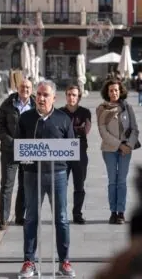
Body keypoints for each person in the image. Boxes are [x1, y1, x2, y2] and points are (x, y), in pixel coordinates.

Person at [16, 80, 76, 278]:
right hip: (32, 174)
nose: (41, 98)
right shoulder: (26, 118)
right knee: (31, 217)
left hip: (57, 174)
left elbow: (71, 147)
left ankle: (64, 261)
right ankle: (29, 261)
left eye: (45, 95)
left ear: (54, 98)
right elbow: (18, 146)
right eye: (39, 94)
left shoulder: (63, 118)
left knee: (61, 218)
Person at [96, 79, 139, 225]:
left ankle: (121, 212)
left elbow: (135, 129)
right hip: (109, 150)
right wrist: (119, 145)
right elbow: (102, 131)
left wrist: (129, 145)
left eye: (116, 90)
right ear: (107, 93)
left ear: (120, 91)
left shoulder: (128, 107)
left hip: (126, 150)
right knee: (112, 181)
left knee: (122, 181)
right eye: (111, 90)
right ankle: (112, 212)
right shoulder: (102, 109)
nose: (114, 93)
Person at [0, 78, 35, 230]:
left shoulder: (36, 104)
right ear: (17, 88)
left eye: (28, 87)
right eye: (23, 86)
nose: (25, 89)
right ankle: (3, 219)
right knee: (7, 185)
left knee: (25, 185)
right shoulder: (7, 104)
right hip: (9, 150)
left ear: (32, 89)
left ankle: (20, 217)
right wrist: (10, 142)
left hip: (28, 151)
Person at [59, 85, 91, 224]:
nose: (72, 97)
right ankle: (61, 213)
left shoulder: (85, 112)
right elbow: (57, 132)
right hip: (63, 153)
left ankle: (77, 213)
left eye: (74, 95)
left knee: (79, 185)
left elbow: (85, 130)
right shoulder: (59, 112)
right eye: (69, 94)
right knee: (61, 185)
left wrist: (69, 131)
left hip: (80, 153)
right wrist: (75, 130)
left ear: (79, 97)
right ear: (66, 95)